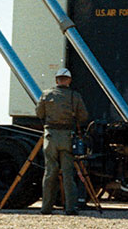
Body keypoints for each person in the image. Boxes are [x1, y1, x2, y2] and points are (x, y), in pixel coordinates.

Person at [35, 68, 88, 215]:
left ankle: (46, 208)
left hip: (50, 137)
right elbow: (83, 116)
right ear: (69, 80)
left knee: (49, 172)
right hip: (67, 138)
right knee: (67, 174)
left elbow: (39, 113)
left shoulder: (46, 94)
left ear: (56, 80)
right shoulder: (74, 96)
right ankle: (70, 208)